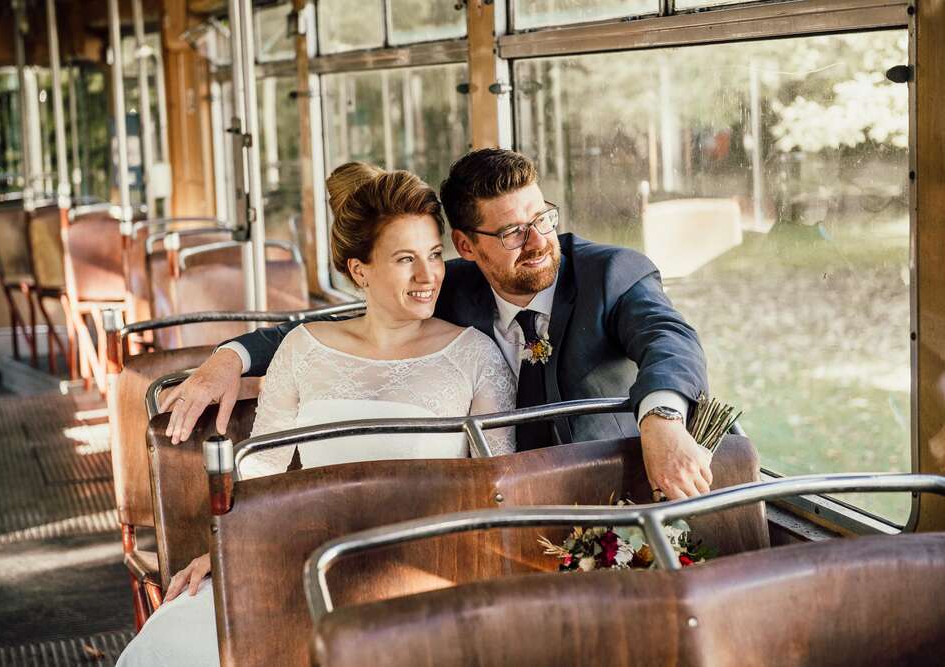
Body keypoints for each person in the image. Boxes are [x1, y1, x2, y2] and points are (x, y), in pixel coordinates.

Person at [117, 164, 515, 666]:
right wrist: (226, 551)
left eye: (435, 255)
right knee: (174, 640)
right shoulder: (304, 348)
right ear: (359, 271)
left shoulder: (474, 356)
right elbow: (259, 469)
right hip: (303, 559)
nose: (428, 275)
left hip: (422, 573)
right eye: (405, 259)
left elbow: (498, 494)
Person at [164, 148, 712, 501]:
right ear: (467, 246)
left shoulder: (611, 274)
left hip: (611, 494)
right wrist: (230, 356)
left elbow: (670, 340)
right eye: (514, 232)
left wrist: (662, 419)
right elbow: (335, 330)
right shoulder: (444, 284)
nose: (540, 241)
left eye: (542, 217)